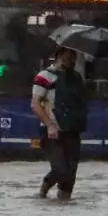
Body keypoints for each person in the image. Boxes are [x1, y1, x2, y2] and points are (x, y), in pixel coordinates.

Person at [33, 45, 88, 199]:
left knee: (70, 175)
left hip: (72, 130)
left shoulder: (77, 78)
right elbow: (35, 104)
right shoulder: (45, 76)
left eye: (74, 55)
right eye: (70, 55)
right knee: (60, 169)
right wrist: (49, 125)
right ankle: (44, 189)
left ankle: (64, 203)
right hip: (52, 132)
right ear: (60, 55)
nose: (73, 59)